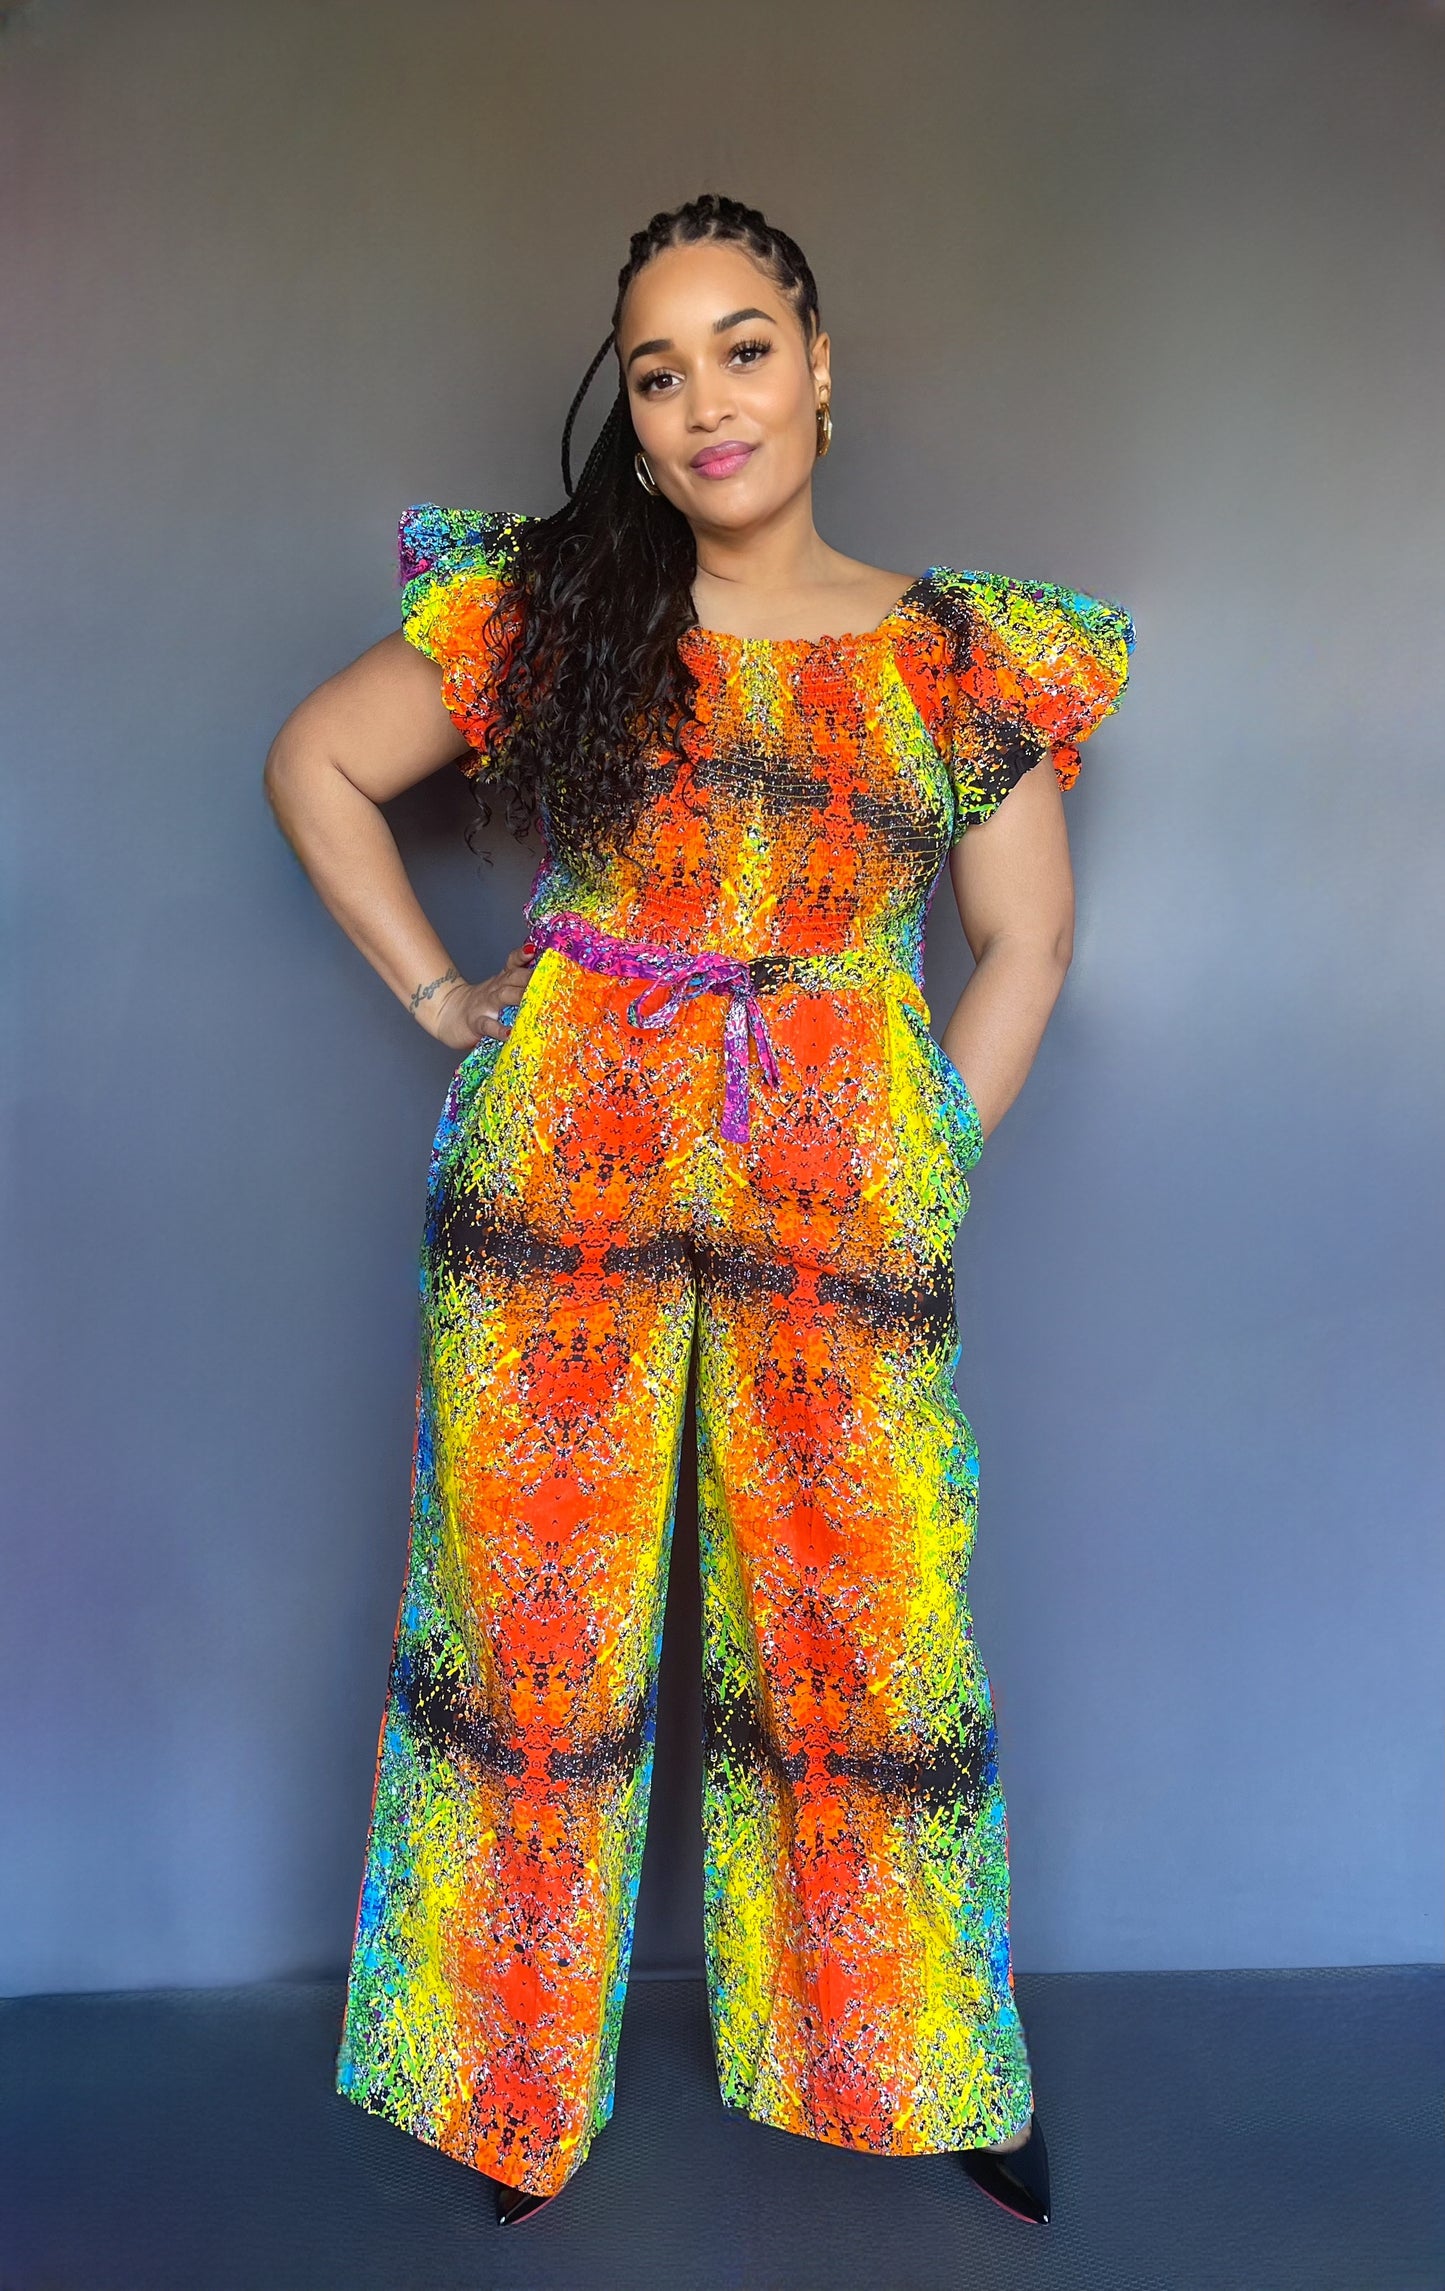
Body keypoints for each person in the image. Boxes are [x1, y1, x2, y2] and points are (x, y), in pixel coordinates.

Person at [263, 191, 1133, 2234]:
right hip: (559, 1169)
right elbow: (318, 761)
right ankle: (502, 2078)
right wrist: (444, 998)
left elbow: (1025, 940)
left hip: (836, 1184)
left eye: (742, 347)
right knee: (527, 1630)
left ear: (820, 366)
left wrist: (923, 1149)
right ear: (636, 420)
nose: (705, 401)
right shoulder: (562, 607)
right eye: (657, 373)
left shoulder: (954, 654)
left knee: (868, 1617)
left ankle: (914, 2059)